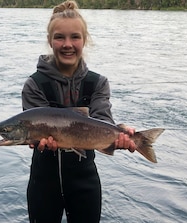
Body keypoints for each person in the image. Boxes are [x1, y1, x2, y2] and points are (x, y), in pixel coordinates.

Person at [21, 1, 136, 222]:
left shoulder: (98, 83)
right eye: (59, 37)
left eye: (75, 37)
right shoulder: (34, 85)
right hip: (43, 183)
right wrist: (38, 141)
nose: (67, 44)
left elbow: (103, 120)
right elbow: (32, 128)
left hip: (85, 182)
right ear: (49, 41)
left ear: (85, 40)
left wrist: (118, 138)